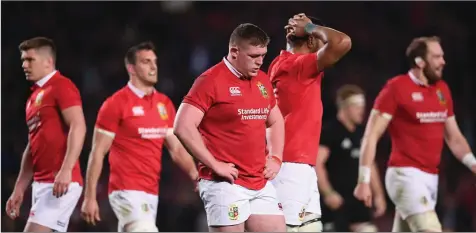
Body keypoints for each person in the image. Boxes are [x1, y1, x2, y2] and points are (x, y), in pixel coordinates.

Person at [354, 36, 476, 232]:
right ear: (420, 62)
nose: (443, 61)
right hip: (405, 175)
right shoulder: (396, 88)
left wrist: (473, 163)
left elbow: (454, 137)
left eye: (442, 56)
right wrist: (363, 180)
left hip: (432, 178)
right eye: (436, 57)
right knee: (431, 229)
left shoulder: (442, 90)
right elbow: (371, 135)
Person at [173, 23, 286, 232]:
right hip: (225, 184)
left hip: (259, 181)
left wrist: (276, 157)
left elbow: (276, 120)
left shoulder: (262, 80)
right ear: (234, 51)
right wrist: (214, 165)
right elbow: (182, 125)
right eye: (254, 56)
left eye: (263, 55)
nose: (260, 62)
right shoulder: (210, 80)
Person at [80, 41, 198, 232]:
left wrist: (195, 175)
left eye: (155, 61)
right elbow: (97, 152)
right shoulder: (115, 104)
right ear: (131, 68)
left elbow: (176, 148)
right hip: (126, 190)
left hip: (151, 192)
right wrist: (89, 196)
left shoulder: (164, 104)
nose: (153, 66)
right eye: (146, 62)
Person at [267, 13, 352, 232]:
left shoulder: (280, 63)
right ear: (313, 40)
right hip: (292, 166)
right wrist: (311, 26)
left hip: (297, 165)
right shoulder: (300, 66)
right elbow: (343, 42)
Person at [5, 37, 87, 232]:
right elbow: (32, 145)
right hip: (41, 184)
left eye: (30, 60)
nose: (24, 65)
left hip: (60, 182)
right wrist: (19, 187)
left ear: (48, 62)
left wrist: (66, 169)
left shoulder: (62, 86)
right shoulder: (33, 98)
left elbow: (79, 125)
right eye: (23, 60)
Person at [317, 85, 385, 232]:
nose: (362, 110)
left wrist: (379, 195)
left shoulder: (363, 133)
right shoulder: (330, 131)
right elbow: (317, 164)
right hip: (337, 202)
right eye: (357, 106)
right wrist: (328, 193)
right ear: (345, 107)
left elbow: (370, 164)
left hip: (359, 202)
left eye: (363, 106)